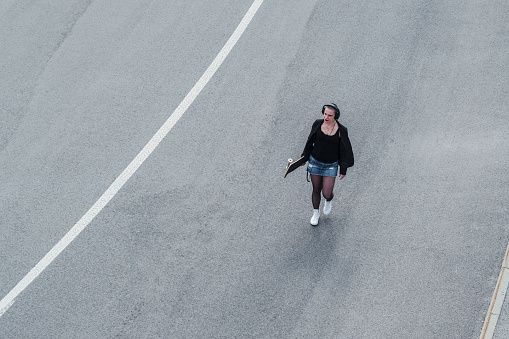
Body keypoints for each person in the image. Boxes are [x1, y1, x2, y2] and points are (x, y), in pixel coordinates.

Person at [301, 103, 354, 226]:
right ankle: (315, 213)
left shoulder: (341, 130)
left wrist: (343, 169)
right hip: (315, 162)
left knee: (327, 192)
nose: (326, 117)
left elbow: (343, 150)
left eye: (330, 115)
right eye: (325, 114)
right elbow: (309, 142)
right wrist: (304, 157)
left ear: (336, 116)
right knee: (316, 189)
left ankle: (328, 200)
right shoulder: (317, 124)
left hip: (331, 165)